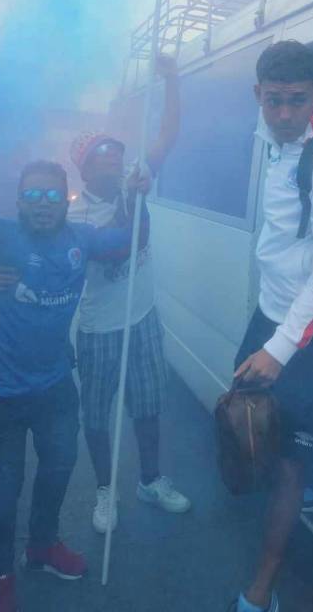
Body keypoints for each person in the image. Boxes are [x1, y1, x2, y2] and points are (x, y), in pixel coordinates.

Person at [0, 90, 148, 612]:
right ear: (18, 204)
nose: (41, 204)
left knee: (59, 469)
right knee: (1, 488)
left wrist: (136, 193)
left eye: (50, 195)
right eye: (31, 196)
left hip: (56, 385)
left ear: (66, 199)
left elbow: (130, 241)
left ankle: (41, 546)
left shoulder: (81, 239)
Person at [229, 41, 313, 612]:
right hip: (271, 314)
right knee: (240, 419)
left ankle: (262, 587)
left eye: (298, 103)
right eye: (275, 101)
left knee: (288, 464)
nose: (286, 116)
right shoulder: (267, 137)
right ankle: (275, 502)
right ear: (258, 96)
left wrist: (280, 350)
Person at [68, 54, 190, 535]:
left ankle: (151, 479)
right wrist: (135, 199)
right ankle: (104, 487)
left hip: (142, 318)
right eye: (103, 155)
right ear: (84, 168)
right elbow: (118, 249)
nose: (115, 159)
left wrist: (172, 79)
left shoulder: (133, 178)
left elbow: (168, 135)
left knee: (149, 403)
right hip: (99, 329)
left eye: (117, 152)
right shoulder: (75, 219)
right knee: (97, 415)